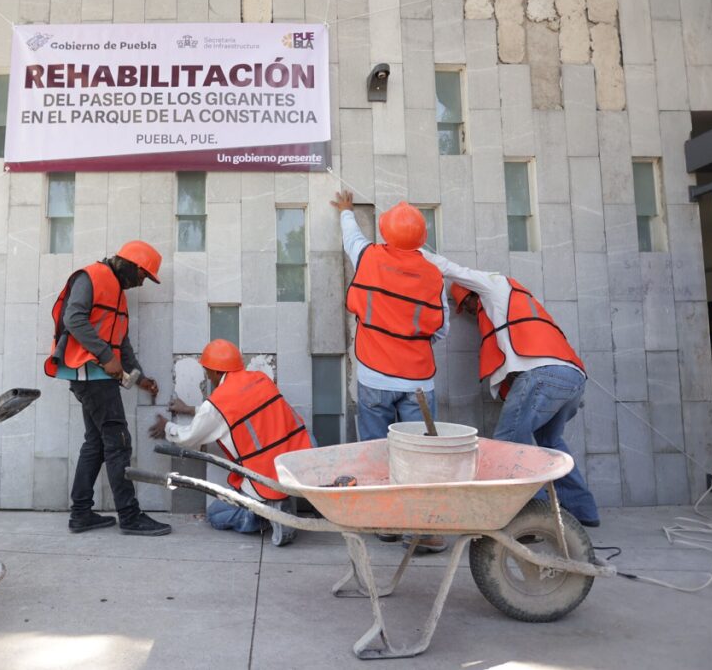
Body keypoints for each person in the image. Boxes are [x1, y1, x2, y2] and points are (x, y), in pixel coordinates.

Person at [425, 252, 600, 527]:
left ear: (474, 293)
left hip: (542, 376)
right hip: (572, 378)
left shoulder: (494, 286)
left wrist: (408, 247)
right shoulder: (517, 303)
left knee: (509, 446)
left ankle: (530, 519)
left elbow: (450, 268)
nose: (470, 312)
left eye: (468, 304)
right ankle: (584, 511)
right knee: (551, 446)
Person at [332, 190, 450, 552]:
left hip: (373, 376)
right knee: (421, 456)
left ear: (385, 233)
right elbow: (441, 330)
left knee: (377, 449)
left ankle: (384, 522)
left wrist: (346, 211)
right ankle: (425, 530)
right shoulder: (433, 275)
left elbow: (352, 239)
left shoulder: (369, 257)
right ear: (422, 238)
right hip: (418, 381)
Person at [44, 240, 171, 536]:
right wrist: (104, 356)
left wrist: (140, 378)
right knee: (118, 443)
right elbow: (73, 318)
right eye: (143, 277)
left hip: (96, 376)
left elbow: (121, 343)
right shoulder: (91, 276)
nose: (141, 284)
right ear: (134, 266)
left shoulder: (117, 294)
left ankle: (81, 514)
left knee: (97, 443)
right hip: (92, 374)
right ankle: (129, 516)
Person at [148, 339, 313, 546]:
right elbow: (233, 413)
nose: (207, 375)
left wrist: (167, 427)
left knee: (216, 514)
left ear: (216, 372)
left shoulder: (219, 402)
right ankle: (279, 504)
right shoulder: (260, 379)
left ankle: (263, 515)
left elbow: (190, 437)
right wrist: (191, 409)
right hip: (296, 457)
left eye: (207, 370)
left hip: (265, 473)